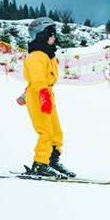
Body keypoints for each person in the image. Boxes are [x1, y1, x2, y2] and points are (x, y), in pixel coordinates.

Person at [23, 17, 75, 177]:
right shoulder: (36, 56)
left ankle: (52, 160)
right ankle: (40, 164)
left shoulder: (47, 55)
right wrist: (43, 95)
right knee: (45, 132)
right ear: (41, 35)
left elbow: (42, 78)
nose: (54, 37)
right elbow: (37, 80)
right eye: (51, 33)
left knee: (56, 133)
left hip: (46, 94)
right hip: (40, 95)